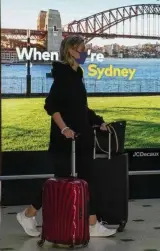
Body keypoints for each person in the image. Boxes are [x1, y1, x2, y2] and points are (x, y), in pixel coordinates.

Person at [16, 35, 116, 237]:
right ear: (70, 50)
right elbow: (51, 105)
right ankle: (29, 214)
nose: (85, 53)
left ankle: (91, 223)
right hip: (66, 141)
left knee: (86, 180)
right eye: (82, 49)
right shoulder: (63, 76)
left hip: (81, 138)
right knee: (63, 180)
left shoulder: (76, 74)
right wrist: (64, 129)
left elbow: (81, 109)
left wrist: (98, 121)